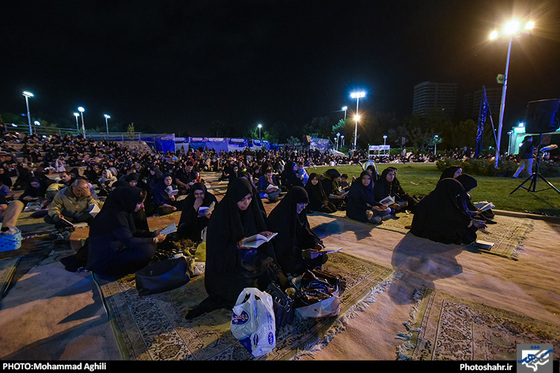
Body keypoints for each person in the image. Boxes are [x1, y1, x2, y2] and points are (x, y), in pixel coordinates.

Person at [186, 177, 285, 319]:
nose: (247, 203)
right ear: (234, 197)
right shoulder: (220, 217)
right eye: (242, 199)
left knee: (274, 272)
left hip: (250, 259)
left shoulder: (251, 211)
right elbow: (217, 254)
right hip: (230, 266)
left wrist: (261, 235)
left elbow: (253, 237)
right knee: (245, 290)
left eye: (250, 198)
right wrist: (237, 246)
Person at [86, 186, 166, 279]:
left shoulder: (123, 211)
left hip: (117, 247)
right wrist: (154, 239)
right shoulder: (115, 216)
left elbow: (131, 231)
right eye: (140, 203)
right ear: (129, 200)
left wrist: (152, 234)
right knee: (147, 250)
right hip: (105, 261)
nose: (142, 206)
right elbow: (129, 241)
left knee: (148, 245)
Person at [267, 186, 327, 276]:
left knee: (321, 256)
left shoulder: (299, 213)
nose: (303, 207)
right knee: (293, 264)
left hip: (297, 248)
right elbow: (280, 245)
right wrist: (302, 254)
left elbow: (306, 232)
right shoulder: (279, 217)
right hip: (284, 252)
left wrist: (315, 243)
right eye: (300, 204)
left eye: (305, 205)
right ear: (293, 202)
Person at [410, 176, 486, 245]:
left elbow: (455, 214)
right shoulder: (433, 202)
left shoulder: (440, 198)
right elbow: (448, 219)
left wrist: (471, 222)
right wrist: (469, 223)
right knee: (458, 233)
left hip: (428, 226)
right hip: (423, 229)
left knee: (464, 229)